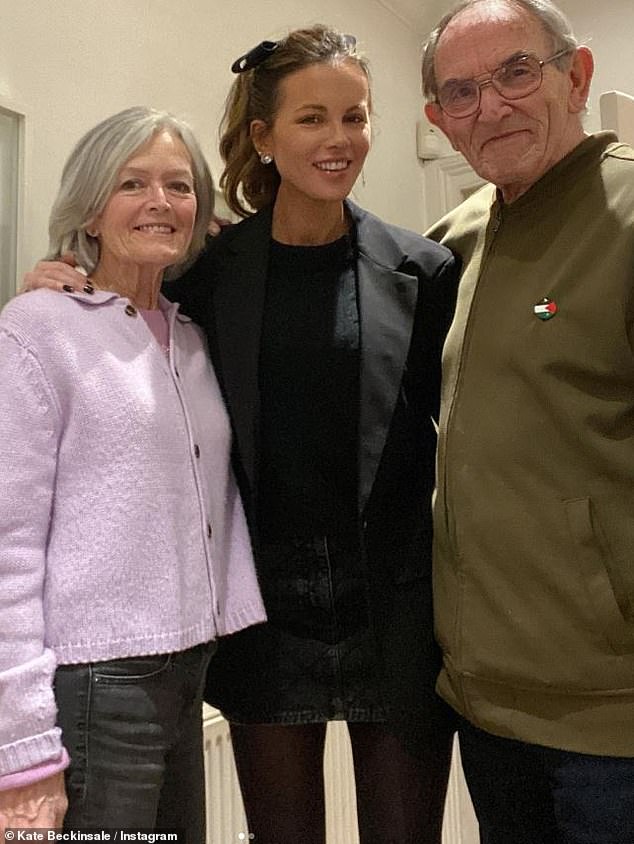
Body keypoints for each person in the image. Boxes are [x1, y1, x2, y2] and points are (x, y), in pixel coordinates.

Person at [22, 26, 460, 844]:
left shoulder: (423, 271)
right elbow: (123, 296)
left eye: (356, 117)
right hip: (266, 623)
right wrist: (58, 273)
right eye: (311, 119)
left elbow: (456, 444)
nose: (339, 139)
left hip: (393, 621)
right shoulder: (210, 274)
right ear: (263, 137)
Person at [0, 106, 265, 838]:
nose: (160, 202)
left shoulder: (190, 335)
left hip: (186, 671)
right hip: (96, 682)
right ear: (89, 208)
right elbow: (7, 544)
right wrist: (22, 748)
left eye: (179, 186)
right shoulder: (38, 328)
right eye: (131, 183)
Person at [421, 1, 634, 842]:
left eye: (516, 72)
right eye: (462, 92)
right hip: (484, 709)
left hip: (610, 728)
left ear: (575, 77)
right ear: (440, 121)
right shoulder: (454, 240)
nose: (492, 106)